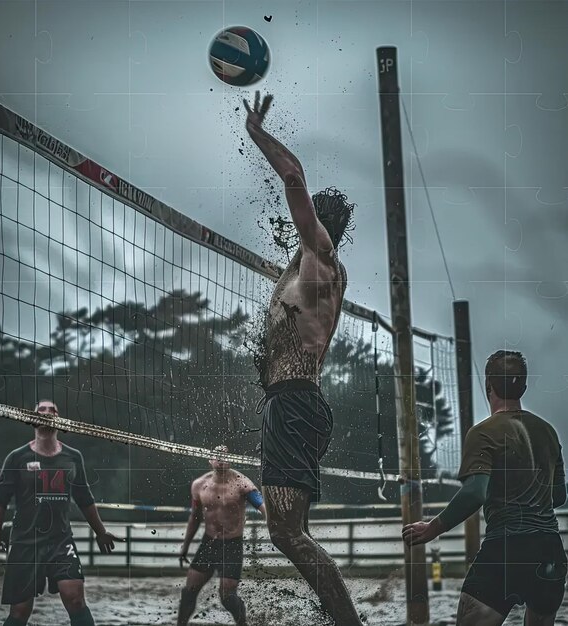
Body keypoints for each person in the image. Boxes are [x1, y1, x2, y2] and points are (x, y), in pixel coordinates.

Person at [243, 92, 364, 625]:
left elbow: (293, 176)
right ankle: (336, 617)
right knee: (283, 531)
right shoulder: (299, 270)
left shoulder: (321, 257)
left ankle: (347, 622)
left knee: (287, 533)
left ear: (318, 222)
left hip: (296, 404)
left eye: (307, 215)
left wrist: (257, 133)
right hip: (286, 403)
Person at [403, 350, 568, 626]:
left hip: (507, 548)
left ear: (488, 385)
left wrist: (432, 529)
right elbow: (559, 496)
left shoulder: (483, 433)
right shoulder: (549, 432)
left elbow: (474, 493)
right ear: (523, 387)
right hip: (550, 551)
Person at [0, 400, 122, 626]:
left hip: (60, 540)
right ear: (32, 419)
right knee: (20, 611)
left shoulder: (73, 456)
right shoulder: (17, 457)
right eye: (42, 410)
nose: (47, 413)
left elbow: (84, 498)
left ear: (60, 420)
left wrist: (101, 531)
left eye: (53, 410)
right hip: (25, 541)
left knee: (75, 599)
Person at [177, 445, 266, 626]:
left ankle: (243, 624)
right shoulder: (199, 485)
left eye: (224, 455)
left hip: (232, 545)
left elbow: (263, 507)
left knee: (227, 597)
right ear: (210, 460)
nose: (221, 459)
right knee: (189, 591)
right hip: (209, 543)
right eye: (216, 455)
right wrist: (185, 546)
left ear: (231, 458)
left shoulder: (243, 483)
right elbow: (194, 518)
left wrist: (272, 523)